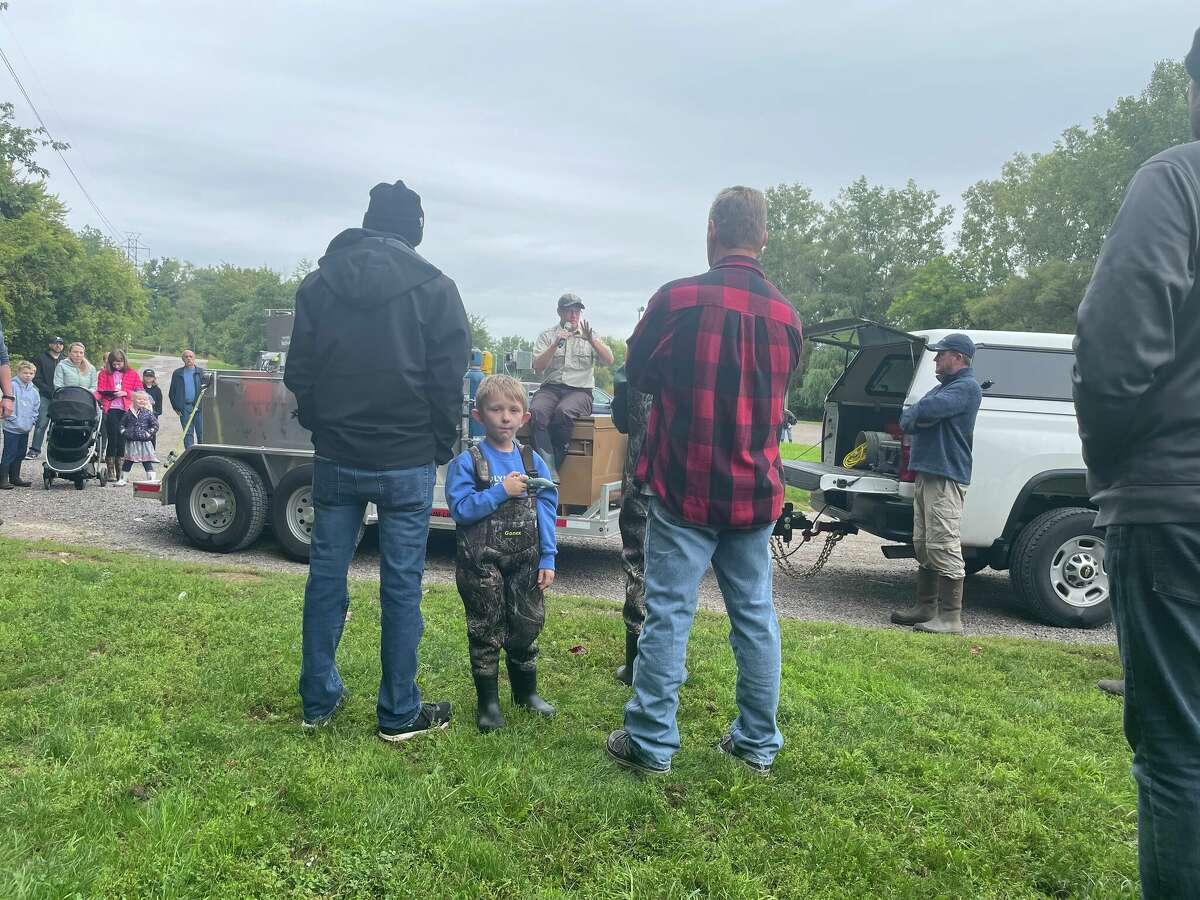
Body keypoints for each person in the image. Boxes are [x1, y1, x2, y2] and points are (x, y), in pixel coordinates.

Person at [606, 186, 803, 778]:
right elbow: (783, 388)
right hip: (754, 489)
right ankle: (757, 743)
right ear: (763, 236)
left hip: (683, 485)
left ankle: (651, 743)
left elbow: (637, 373)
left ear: (712, 229)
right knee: (755, 615)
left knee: (668, 611)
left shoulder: (678, 299)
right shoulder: (788, 317)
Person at [1071, 29, 1200, 898]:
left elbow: (1112, 354)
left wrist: (1116, 471)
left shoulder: (1179, 177)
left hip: (1177, 509)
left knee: (1182, 752)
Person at [284, 178, 470, 742]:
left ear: (368, 221)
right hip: (407, 456)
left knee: (326, 576)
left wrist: (323, 425)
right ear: (414, 229)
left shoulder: (318, 286)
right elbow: (448, 379)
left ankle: (318, 700)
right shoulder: (436, 288)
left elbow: (301, 374)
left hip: (338, 453)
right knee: (401, 585)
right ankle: (397, 712)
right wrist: (438, 444)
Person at [445, 374, 559, 732]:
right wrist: (501, 492)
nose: (505, 417)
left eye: (513, 410)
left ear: (525, 418)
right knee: (486, 626)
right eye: (496, 410)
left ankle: (526, 692)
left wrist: (548, 556)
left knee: (527, 623)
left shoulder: (532, 461)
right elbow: (461, 509)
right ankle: (489, 704)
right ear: (479, 415)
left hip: (526, 559)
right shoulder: (468, 462)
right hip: (482, 563)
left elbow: (547, 505)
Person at [888, 333, 982, 635]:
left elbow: (924, 411)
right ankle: (926, 607)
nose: (935, 359)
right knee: (924, 542)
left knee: (943, 542)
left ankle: (951, 617)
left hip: (946, 474)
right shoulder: (944, 389)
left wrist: (921, 415)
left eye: (941, 355)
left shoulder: (966, 388)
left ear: (957, 356)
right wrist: (920, 415)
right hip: (928, 472)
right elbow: (907, 418)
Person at [530, 293, 614, 480]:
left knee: (564, 412)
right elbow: (538, 366)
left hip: (580, 391)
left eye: (577, 311)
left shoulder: (590, 336)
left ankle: (553, 468)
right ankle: (546, 466)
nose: (573, 315)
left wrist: (591, 340)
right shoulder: (547, 336)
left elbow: (609, 360)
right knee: (537, 412)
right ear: (559, 312)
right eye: (569, 310)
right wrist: (555, 344)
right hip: (551, 388)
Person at [614, 372, 652, 685]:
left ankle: (634, 664)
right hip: (684, 485)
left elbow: (622, 420)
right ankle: (666, 664)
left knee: (638, 567)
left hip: (643, 478)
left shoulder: (639, 356)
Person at [96, 349, 142, 486]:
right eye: (114, 364)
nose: (117, 366)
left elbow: (139, 391)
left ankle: (120, 470)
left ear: (124, 361)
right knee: (113, 437)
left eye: (119, 364)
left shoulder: (132, 373)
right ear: (110, 363)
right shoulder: (104, 373)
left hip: (126, 409)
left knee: (122, 438)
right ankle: (110, 470)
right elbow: (100, 390)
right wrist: (103, 395)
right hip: (111, 409)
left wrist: (124, 393)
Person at [1, 361, 39, 489]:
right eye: (25, 373)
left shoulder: (34, 391)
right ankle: (3, 479)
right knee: (9, 453)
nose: (28, 375)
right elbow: (6, 404)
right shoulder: (11, 386)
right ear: (18, 372)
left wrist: (31, 421)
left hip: (25, 428)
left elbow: (36, 408)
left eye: (31, 373)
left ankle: (15, 477)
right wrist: (12, 419)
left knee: (20, 453)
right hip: (12, 427)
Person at [27, 336, 63, 459]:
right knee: (41, 423)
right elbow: (36, 378)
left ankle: (57, 451)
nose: (58, 345)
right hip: (45, 396)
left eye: (60, 343)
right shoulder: (40, 358)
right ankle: (35, 450)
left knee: (62, 424)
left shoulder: (65, 361)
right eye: (55, 343)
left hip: (62, 398)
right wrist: (48, 390)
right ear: (50, 345)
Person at [120, 391, 159, 482]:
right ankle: (122, 479)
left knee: (147, 461)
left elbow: (155, 425)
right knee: (128, 461)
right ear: (133, 399)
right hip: (132, 441)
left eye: (144, 399)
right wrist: (125, 432)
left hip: (145, 442)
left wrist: (148, 433)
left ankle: (151, 480)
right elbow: (121, 425)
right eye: (139, 399)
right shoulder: (128, 413)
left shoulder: (148, 413)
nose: (142, 401)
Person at [169, 350, 204, 448]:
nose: (189, 358)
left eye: (191, 356)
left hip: (199, 407)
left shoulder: (201, 372)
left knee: (202, 433)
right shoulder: (177, 373)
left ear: (194, 358)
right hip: (185, 408)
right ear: (183, 359)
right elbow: (172, 392)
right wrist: (176, 407)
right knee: (188, 434)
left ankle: (204, 456)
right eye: (186, 357)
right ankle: (190, 455)